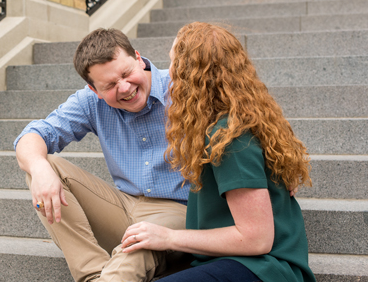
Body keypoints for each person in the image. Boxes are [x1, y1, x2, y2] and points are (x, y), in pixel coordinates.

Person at [120, 22, 315, 281]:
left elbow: (256, 239)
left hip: (265, 268)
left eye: (175, 65)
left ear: (195, 77)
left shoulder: (230, 137)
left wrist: (168, 237)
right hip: (231, 261)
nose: (169, 76)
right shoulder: (229, 123)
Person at [14, 28, 189, 282]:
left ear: (139, 58)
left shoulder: (182, 90)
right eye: (110, 85)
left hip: (180, 211)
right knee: (44, 165)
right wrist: (39, 169)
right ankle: (94, 274)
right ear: (94, 90)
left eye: (127, 73)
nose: (126, 87)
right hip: (125, 205)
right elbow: (34, 136)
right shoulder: (90, 102)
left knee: (138, 242)